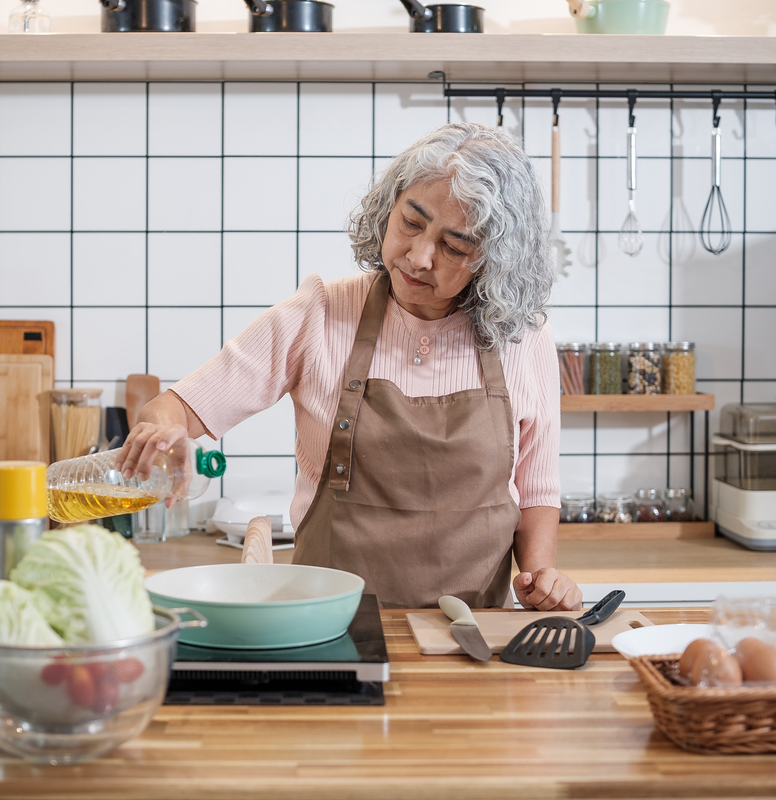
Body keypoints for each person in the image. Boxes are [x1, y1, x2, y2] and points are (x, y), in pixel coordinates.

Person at [117, 122, 581, 611]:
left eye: (454, 246)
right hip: (329, 628)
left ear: (493, 260)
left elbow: (536, 490)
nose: (420, 257)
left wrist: (540, 580)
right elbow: (173, 409)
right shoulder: (318, 314)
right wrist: (164, 435)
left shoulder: (524, 338)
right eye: (411, 222)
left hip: (470, 640)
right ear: (390, 207)